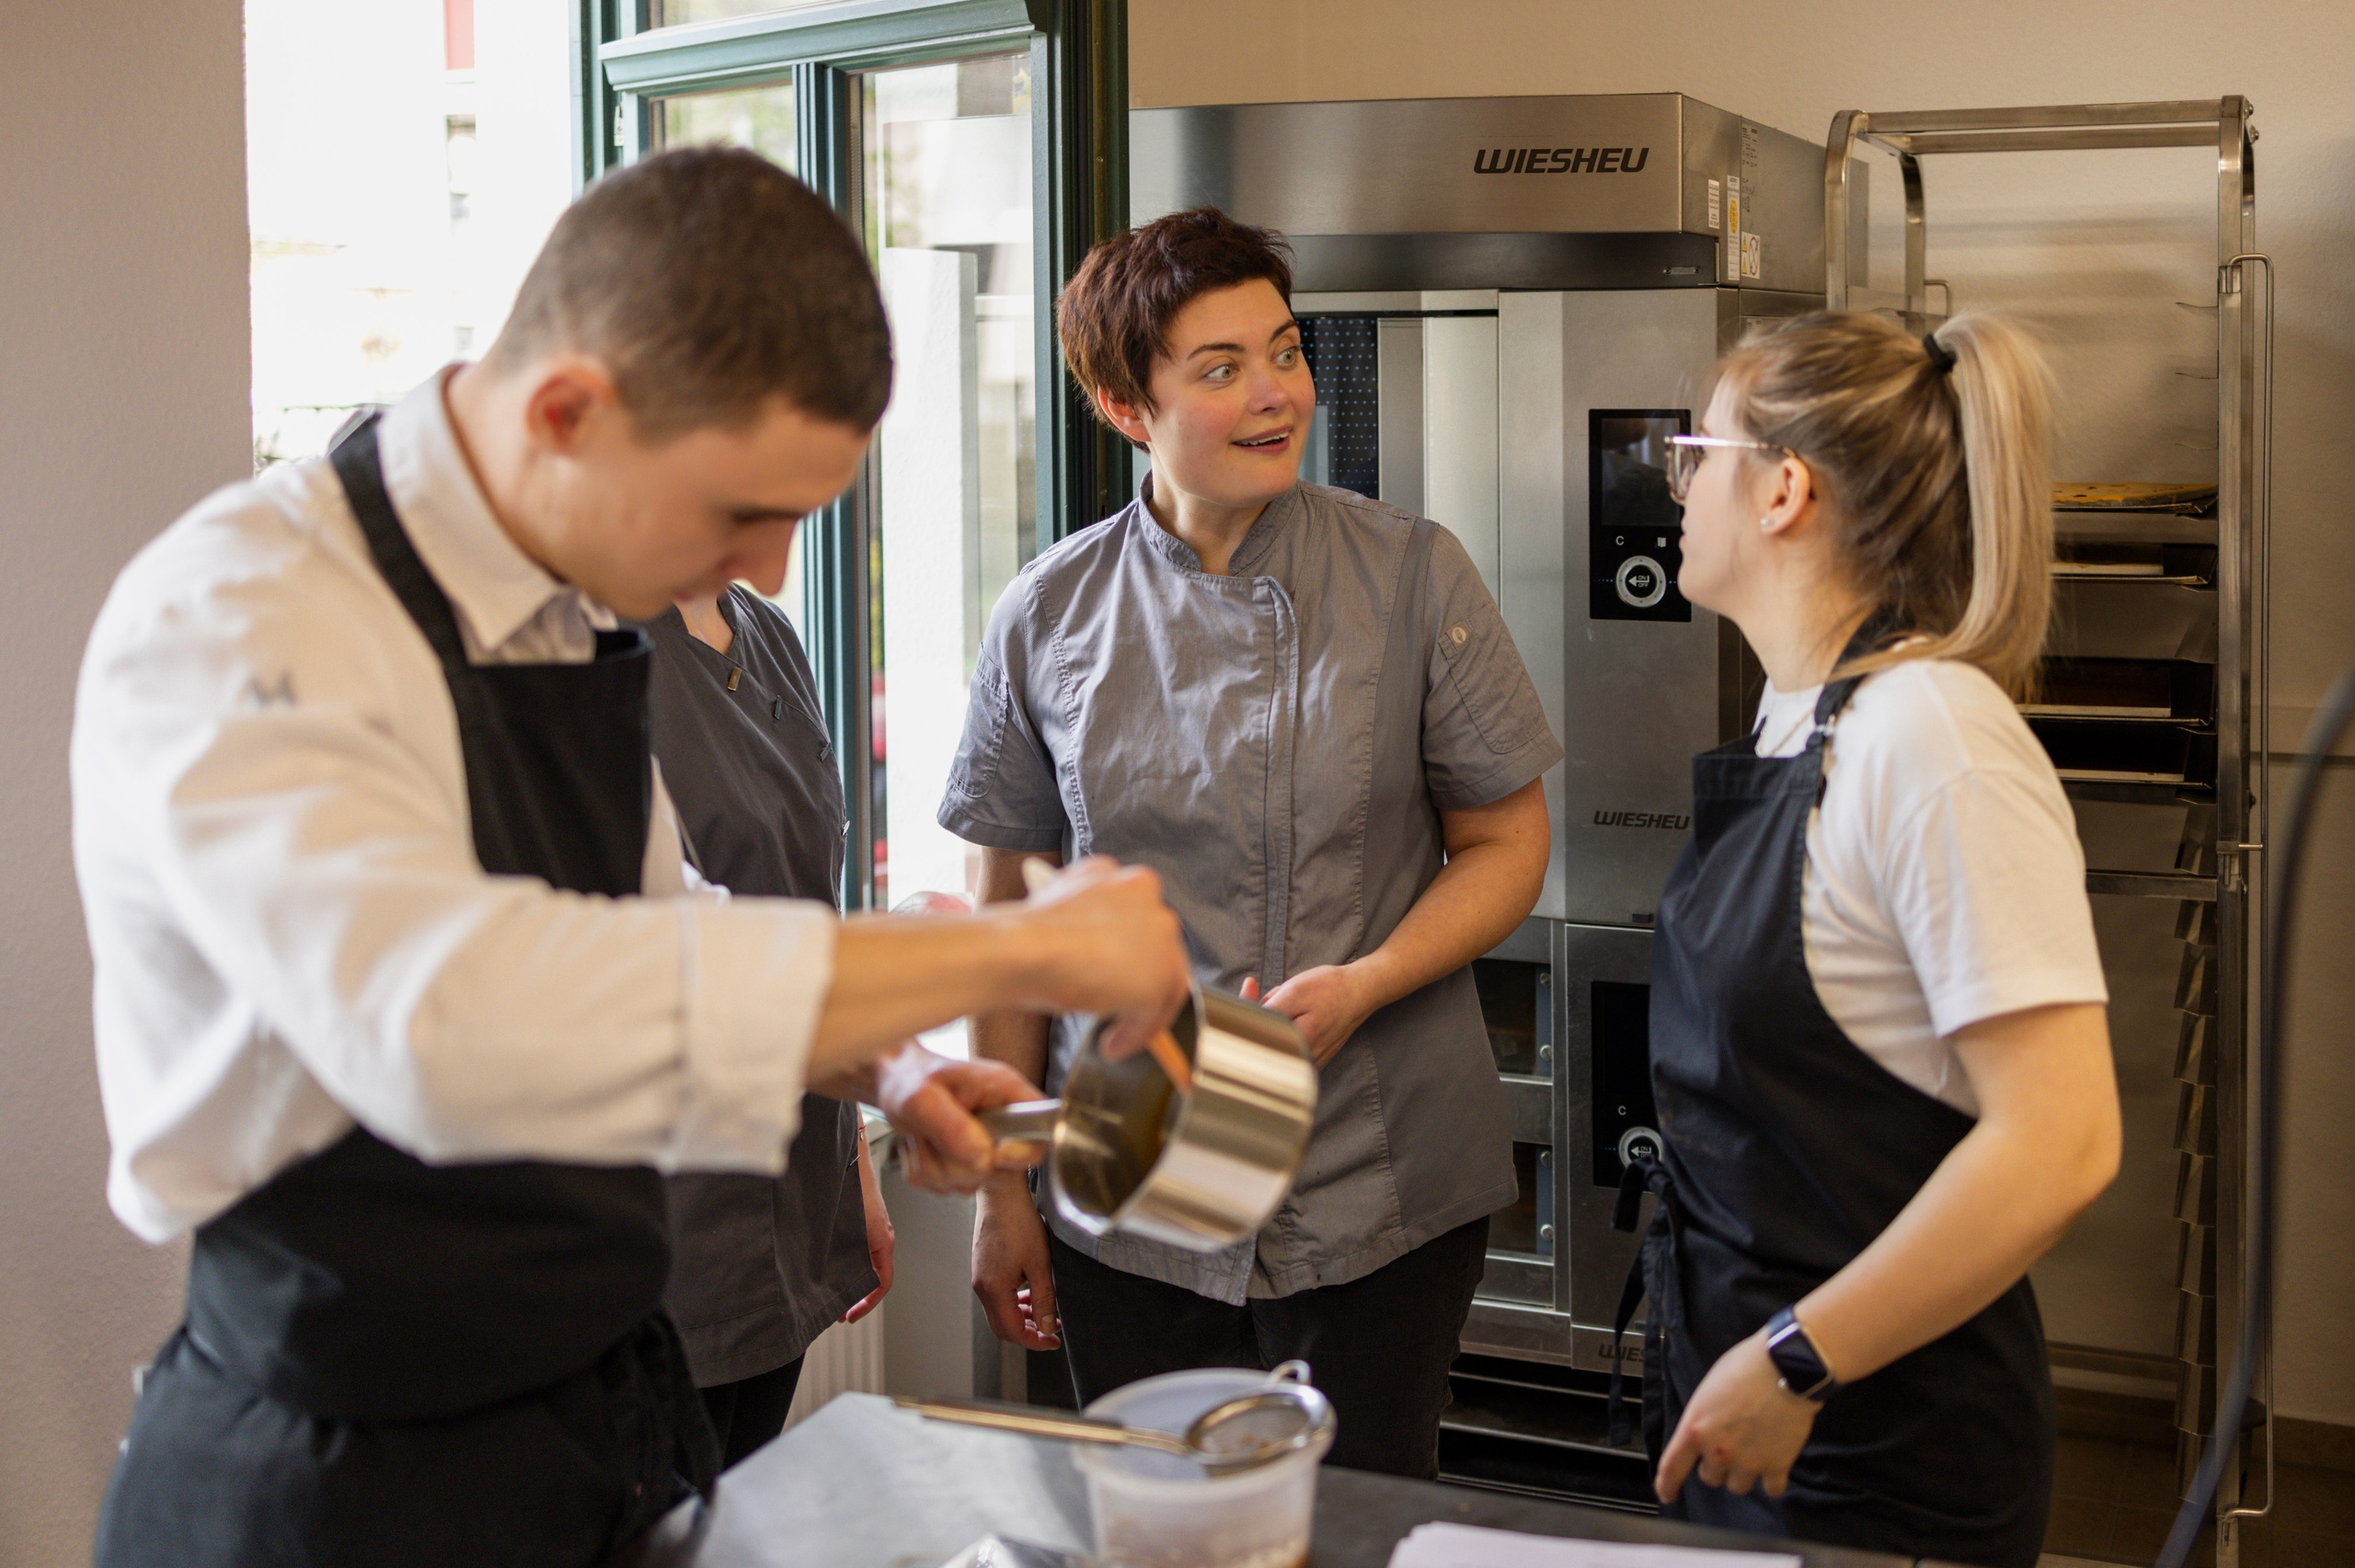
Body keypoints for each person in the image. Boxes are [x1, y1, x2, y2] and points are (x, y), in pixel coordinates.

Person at [73, 146, 1190, 1568]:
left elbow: (672, 916)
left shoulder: (561, 621)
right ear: (567, 410)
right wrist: (1017, 945)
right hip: (342, 1472)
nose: (776, 576)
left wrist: (888, 1064)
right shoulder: (247, 616)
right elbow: (448, 1018)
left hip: (587, 1421)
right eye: (744, 514)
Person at [944, 207, 1560, 1478]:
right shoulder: (1049, 613)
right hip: (1136, 1163)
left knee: (1353, 1524)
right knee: (1162, 1521)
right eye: (1220, 369)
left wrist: (1371, 982)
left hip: (1371, 1164)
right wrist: (1006, 1190)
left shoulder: (1411, 576)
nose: (1278, 393)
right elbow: (1008, 921)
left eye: (1283, 352)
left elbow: (1505, 842)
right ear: (1126, 407)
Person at [1622, 310, 2122, 1568]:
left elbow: (2061, 1143)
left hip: (1875, 1454)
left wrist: (1795, 1360)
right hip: (1750, 1410)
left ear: (1785, 489)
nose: (1678, 482)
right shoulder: (1801, 725)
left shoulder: (1932, 736)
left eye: (1701, 449)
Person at [647, 587, 891, 1468]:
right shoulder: (582, 653)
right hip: (675, 1225)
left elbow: (809, 909)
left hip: (796, 1188)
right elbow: (669, 955)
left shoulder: (771, 633)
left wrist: (856, 1158)